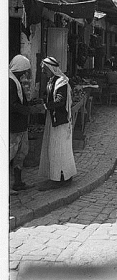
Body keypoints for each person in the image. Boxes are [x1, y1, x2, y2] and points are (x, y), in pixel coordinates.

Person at [38, 57, 77, 191]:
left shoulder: (61, 82)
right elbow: (48, 95)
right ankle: (61, 176)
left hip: (60, 121)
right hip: (54, 119)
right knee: (56, 148)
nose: (43, 71)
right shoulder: (52, 80)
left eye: (44, 69)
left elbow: (60, 101)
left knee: (59, 149)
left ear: (51, 69)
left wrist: (45, 106)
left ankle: (61, 178)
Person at [9, 55, 39, 193]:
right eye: (24, 70)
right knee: (9, 154)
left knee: (21, 154)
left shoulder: (16, 81)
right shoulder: (10, 82)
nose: (26, 74)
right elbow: (12, 105)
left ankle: (18, 182)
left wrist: (30, 105)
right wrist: (28, 110)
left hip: (21, 125)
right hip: (13, 126)